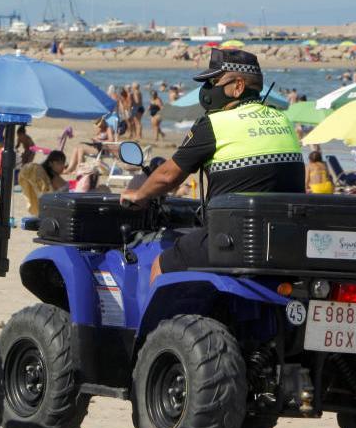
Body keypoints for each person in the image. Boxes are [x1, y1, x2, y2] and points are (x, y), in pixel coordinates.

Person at [120, 48, 304, 282]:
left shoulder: (215, 123)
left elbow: (168, 176)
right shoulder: (283, 119)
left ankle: (153, 320)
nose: (208, 89)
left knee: (161, 264)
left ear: (238, 86)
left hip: (236, 236)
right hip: (284, 237)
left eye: (214, 81)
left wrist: (139, 194)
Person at [18, 150, 69, 215]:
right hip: (54, 211)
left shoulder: (46, 176)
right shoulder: (51, 178)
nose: (62, 166)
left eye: (63, 163)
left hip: (45, 211)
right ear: (50, 163)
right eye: (59, 163)